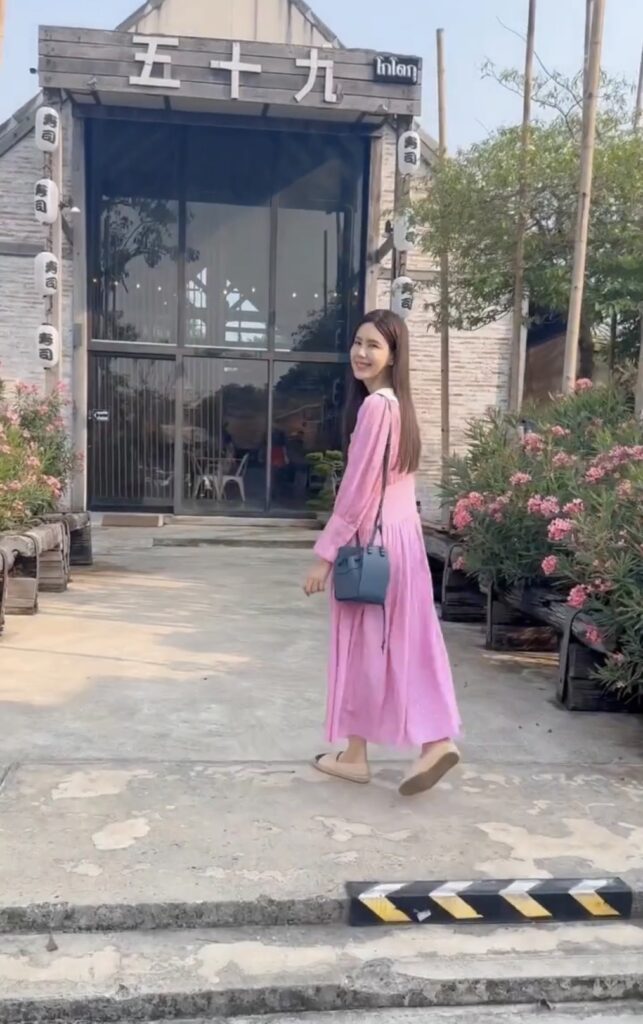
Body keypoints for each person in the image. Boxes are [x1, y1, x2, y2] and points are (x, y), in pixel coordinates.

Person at [303, 309, 461, 796]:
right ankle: (433, 739)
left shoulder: (375, 409)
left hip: (371, 547)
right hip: (403, 542)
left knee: (361, 646)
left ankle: (359, 756)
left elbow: (356, 491)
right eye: (358, 342)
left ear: (393, 355)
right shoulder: (401, 407)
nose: (361, 352)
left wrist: (326, 554)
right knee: (407, 642)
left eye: (374, 345)